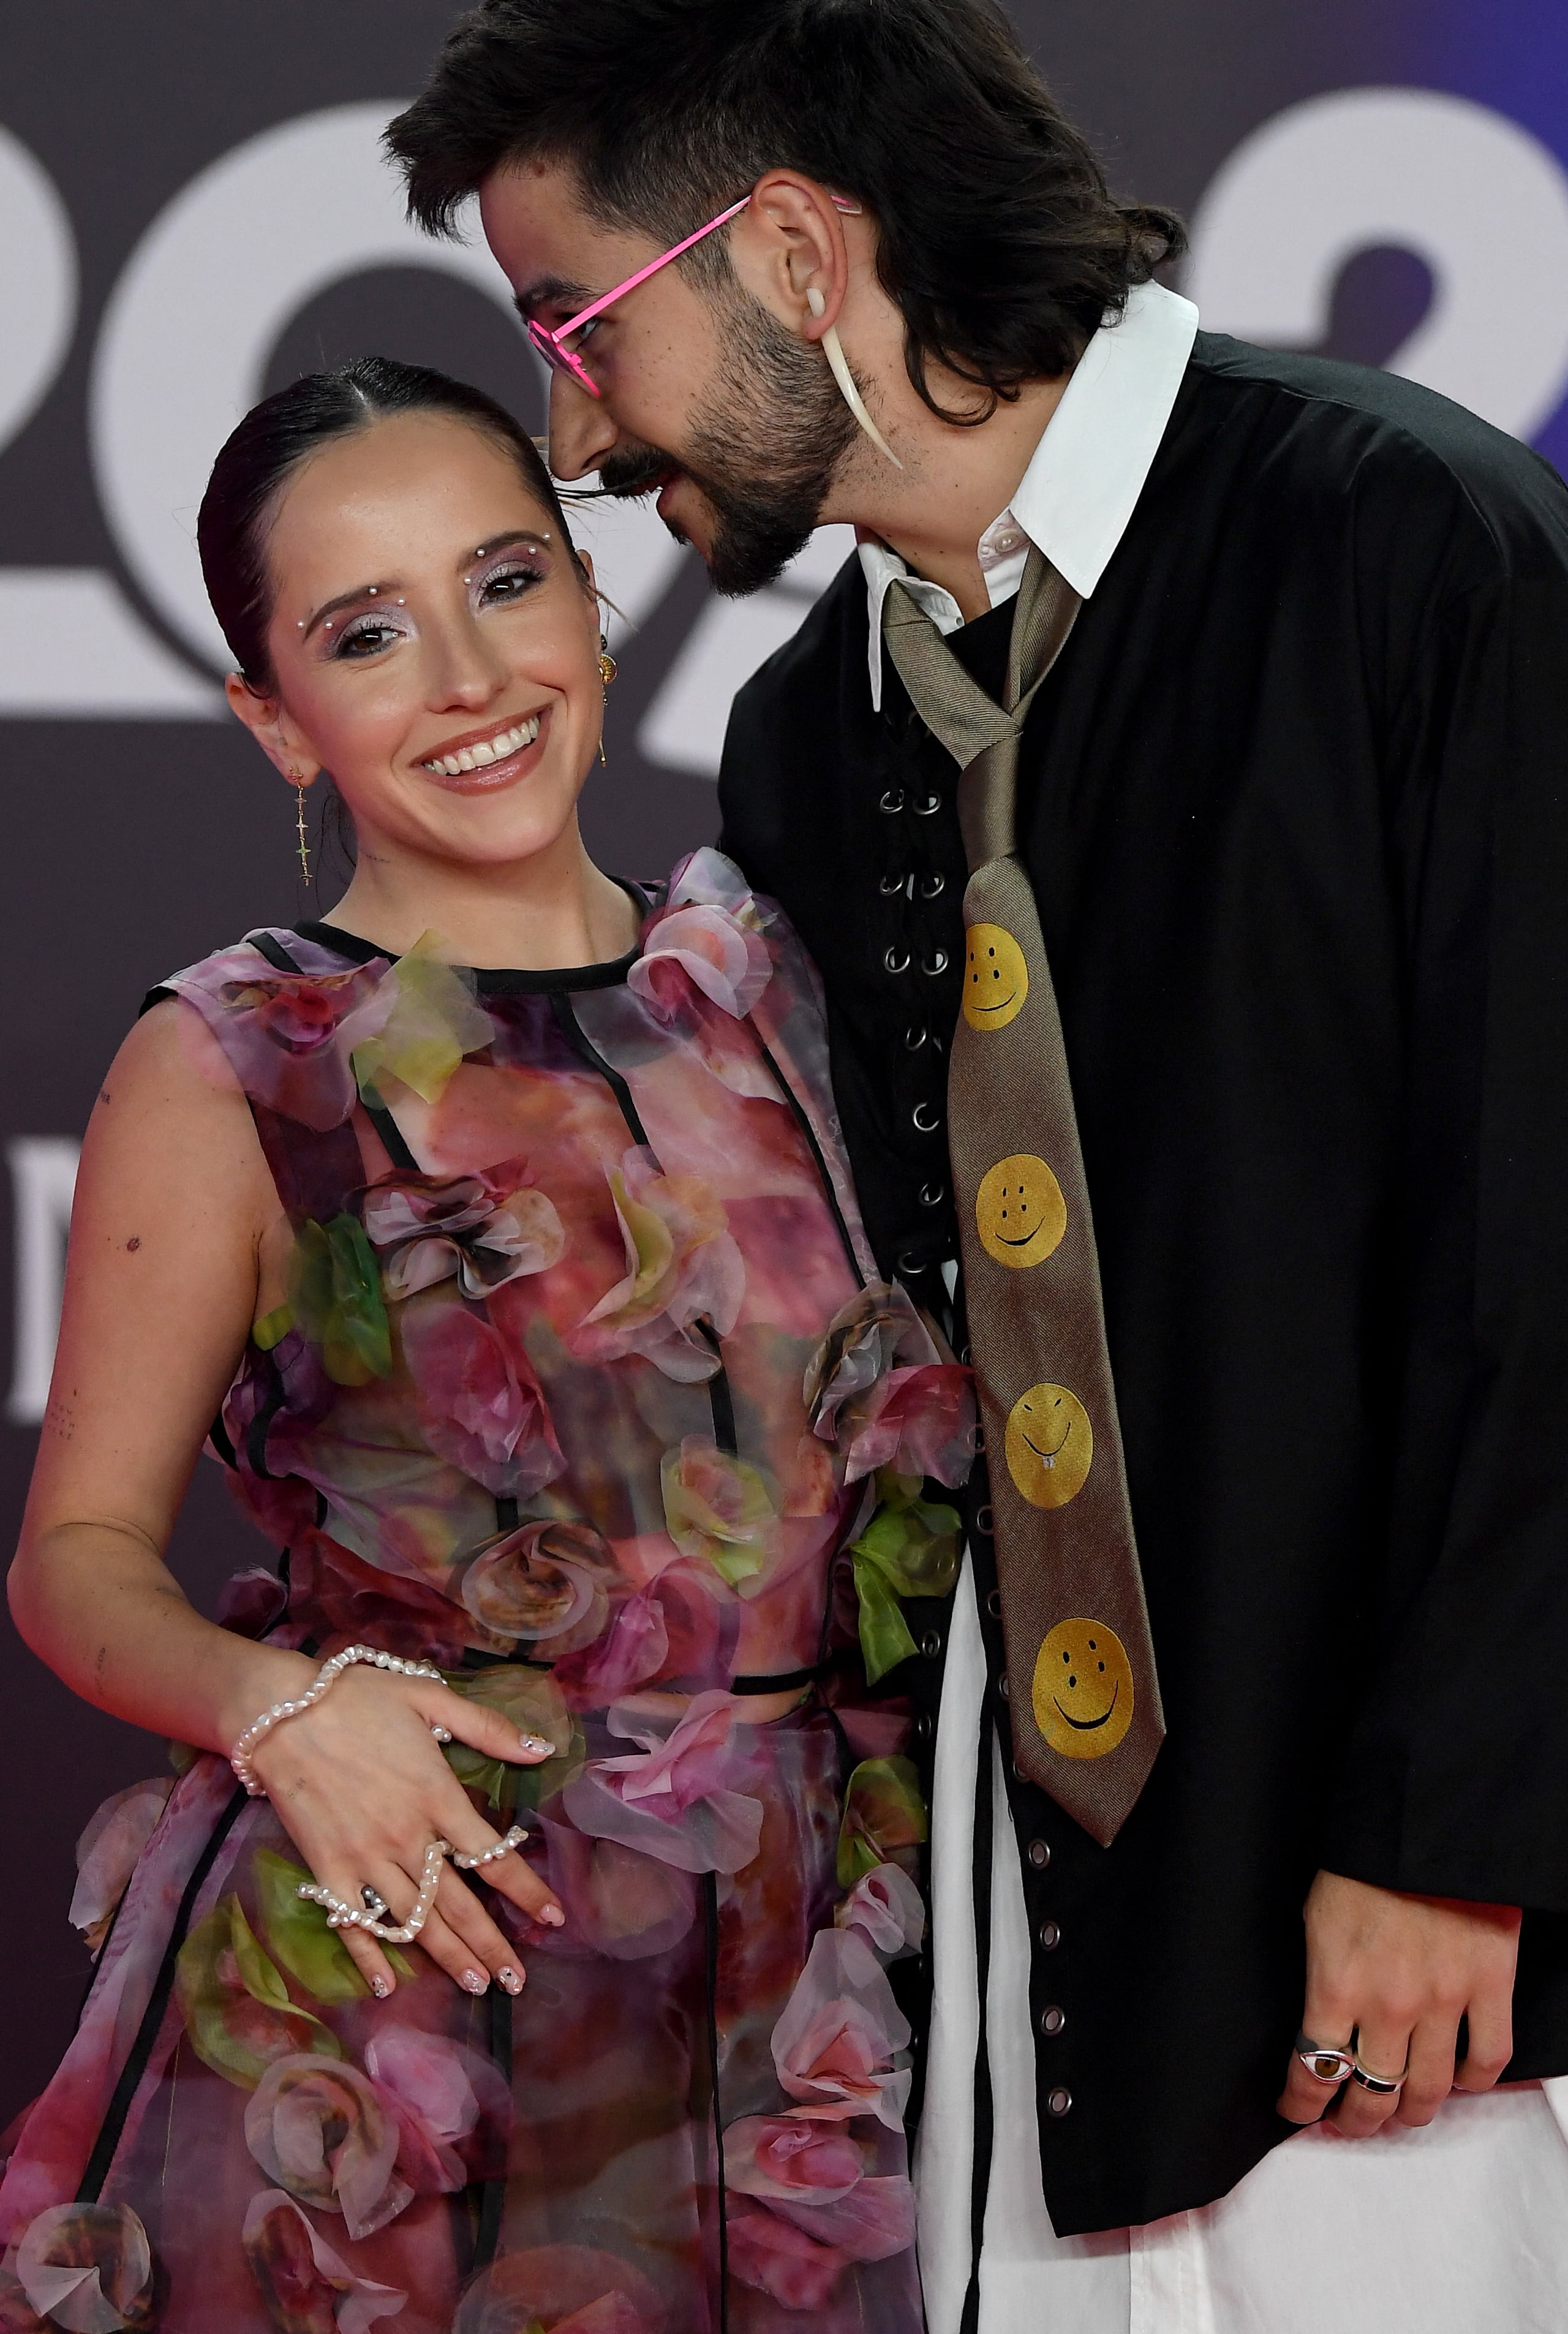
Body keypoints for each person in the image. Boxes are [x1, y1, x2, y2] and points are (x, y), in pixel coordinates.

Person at [386, 3, 1568, 2327]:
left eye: (578, 324)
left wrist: (1456, 1843)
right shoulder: (802, 737)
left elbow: (1543, 1246)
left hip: (1428, 1958)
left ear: (800, 251)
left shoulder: (1402, 540)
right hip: (1025, 1965)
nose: (572, 435)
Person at [0, 353, 976, 2330]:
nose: (468, 674)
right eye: (369, 633)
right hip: (408, 1993)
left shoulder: (768, 980)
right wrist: (283, 1707)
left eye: (508, 580)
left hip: (806, 1996)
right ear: (276, 719)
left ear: (592, 603)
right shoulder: (234, 1064)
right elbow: (74, 1560)